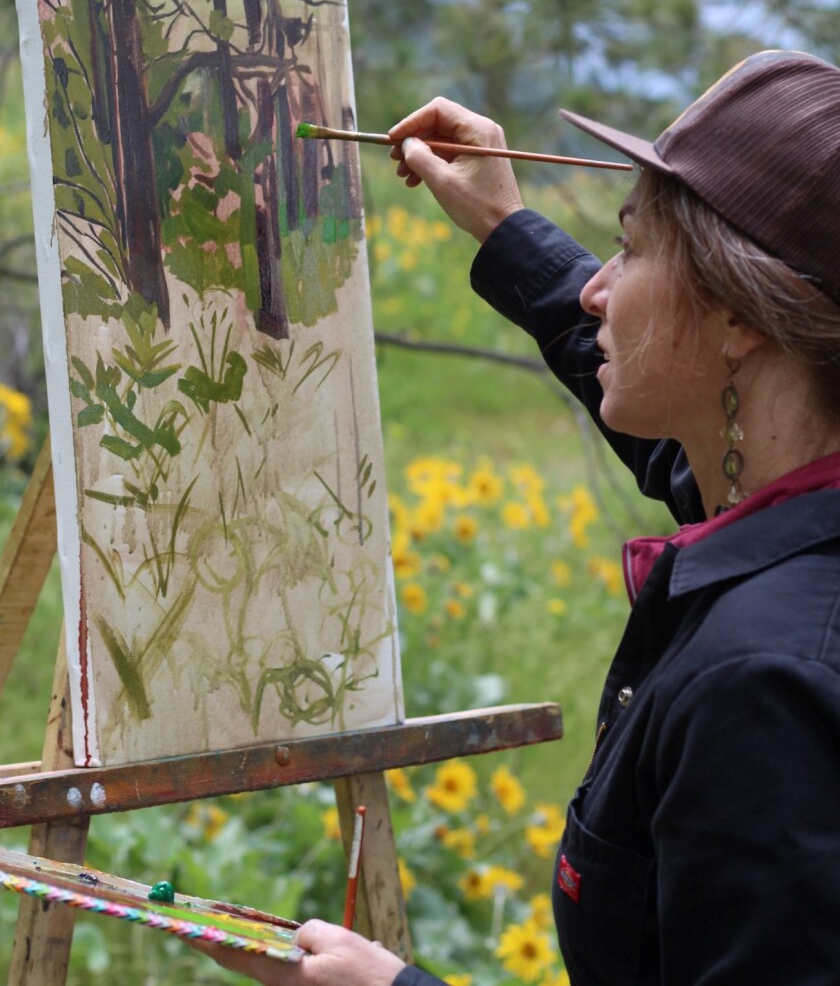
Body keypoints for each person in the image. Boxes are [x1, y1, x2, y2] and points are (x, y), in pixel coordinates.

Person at [201, 49, 840, 984]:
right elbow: (678, 438)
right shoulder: (793, 520)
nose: (598, 289)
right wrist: (503, 226)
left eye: (631, 249)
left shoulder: (764, 691)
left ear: (739, 315)